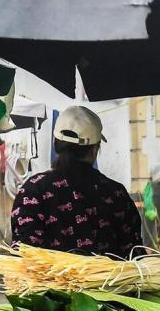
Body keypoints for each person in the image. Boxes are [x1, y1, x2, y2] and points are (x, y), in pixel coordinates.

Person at [11, 105, 142, 256]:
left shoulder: (33, 190)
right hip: (110, 280)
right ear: (94, 150)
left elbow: (23, 254)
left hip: (50, 279)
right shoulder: (116, 194)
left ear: (56, 144)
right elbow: (135, 253)